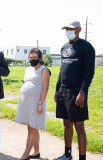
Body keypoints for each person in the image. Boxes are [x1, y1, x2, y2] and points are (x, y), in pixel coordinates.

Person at [53, 21, 95, 160]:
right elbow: (62, 70)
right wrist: (57, 89)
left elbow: (89, 71)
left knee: (79, 126)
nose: (68, 31)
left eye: (71, 29)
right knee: (66, 124)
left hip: (76, 92)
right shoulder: (64, 47)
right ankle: (67, 155)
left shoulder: (86, 47)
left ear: (79, 30)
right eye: (66, 29)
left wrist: (82, 92)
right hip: (63, 91)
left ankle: (82, 158)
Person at [15, 48, 50, 160]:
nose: (33, 59)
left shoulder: (44, 70)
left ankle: (26, 154)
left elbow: (45, 88)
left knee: (32, 128)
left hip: (36, 102)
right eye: (31, 57)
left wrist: (40, 103)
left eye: (35, 57)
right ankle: (36, 152)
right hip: (27, 102)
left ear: (40, 58)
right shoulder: (28, 69)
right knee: (32, 127)